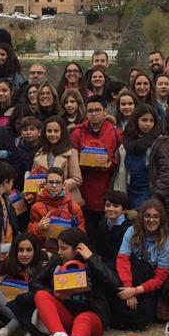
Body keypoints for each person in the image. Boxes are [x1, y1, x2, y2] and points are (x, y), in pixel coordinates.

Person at [30, 228, 120, 336]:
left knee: (83, 318)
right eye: (59, 248)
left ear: (77, 248)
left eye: (64, 248)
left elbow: (115, 284)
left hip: (92, 319)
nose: (59, 252)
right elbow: (35, 283)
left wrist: (91, 259)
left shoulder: (94, 260)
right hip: (67, 318)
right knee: (41, 295)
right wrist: (54, 293)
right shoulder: (57, 260)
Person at [0, 232, 47, 336]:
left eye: (29, 250)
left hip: (32, 310)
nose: (24, 254)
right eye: (20, 250)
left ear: (35, 251)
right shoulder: (8, 264)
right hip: (8, 308)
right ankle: (25, 327)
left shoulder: (43, 267)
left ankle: (1, 335)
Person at [114, 199, 169, 330]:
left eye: (155, 217)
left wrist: (135, 291)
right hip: (129, 277)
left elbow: (160, 277)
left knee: (141, 321)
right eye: (147, 216)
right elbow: (122, 259)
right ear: (142, 217)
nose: (151, 220)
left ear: (161, 219)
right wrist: (129, 288)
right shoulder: (132, 231)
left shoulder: (166, 241)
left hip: (148, 283)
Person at [73, 97, 124, 236]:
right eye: (90, 111)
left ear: (105, 112)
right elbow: (72, 161)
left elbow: (121, 160)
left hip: (106, 188)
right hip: (85, 190)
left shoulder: (115, 132)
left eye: (97, 110)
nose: (94, 114)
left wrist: (109, 164)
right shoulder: (78, 133)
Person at [115, 104, 169, 208]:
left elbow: (165, 170)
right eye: (144, 120)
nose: (148, 124)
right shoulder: (126, 142)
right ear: (136, 120)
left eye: (151, 121)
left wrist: (157, 196)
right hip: (129, 191)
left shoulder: (160, 142)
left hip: (150, 193)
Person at [28, 168, 86, 249]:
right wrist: (38, 228)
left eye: (58, 183)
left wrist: (73, 232)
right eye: (51, 182)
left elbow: (82, 232)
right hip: (46, 250)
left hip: (68, 251)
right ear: (45, 184)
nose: (54, 186)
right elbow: (30, 236)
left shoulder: (73, 207)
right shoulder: (36, 207)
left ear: (63, 185)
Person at [31, 116, 83, 205]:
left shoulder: (71, 152)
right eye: (49, 131)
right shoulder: (39, 152)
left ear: (62, 132)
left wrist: (57, 186)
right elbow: (33, 177)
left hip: (65, 201)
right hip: (44, 201)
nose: (52, 134)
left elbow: (77, 179)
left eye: (56, 131)